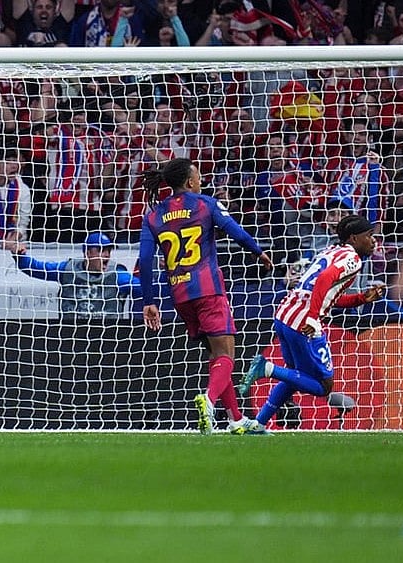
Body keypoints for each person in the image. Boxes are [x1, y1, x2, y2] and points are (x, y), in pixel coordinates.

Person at [138, 157, 273, 434]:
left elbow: (145, 260)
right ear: (190, 181)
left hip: (179, 294)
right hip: (208, 290)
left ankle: (235, 419)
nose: (200, 181)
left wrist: (149, 301)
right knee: (226, 355)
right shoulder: (205, 204)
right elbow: (236, 231)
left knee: (215, 356)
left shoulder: (153, 215)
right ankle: (208, 401)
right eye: (198, 176)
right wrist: (258, 251)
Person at [236, 215, 386, 434]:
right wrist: (313, 318)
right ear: (354, 238)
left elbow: (328, 296)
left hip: (286, 315)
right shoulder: (353, 259)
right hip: (303, 322)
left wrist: (361, 298)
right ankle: (267, 368)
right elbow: (324, 280)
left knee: (296, 376)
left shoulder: (331, 251)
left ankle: (258, 423)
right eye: (369, 236)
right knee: (323, 386)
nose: (374, 241)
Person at [3, 232, 139, 320]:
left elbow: (144, 289)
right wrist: (19, 255)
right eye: (101, 250)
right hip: (71, 335)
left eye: (108, 251)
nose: (106, 255)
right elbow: (37, 268)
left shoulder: (118, 275)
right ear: (87, 253)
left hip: (108, 337)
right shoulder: (68, 270)